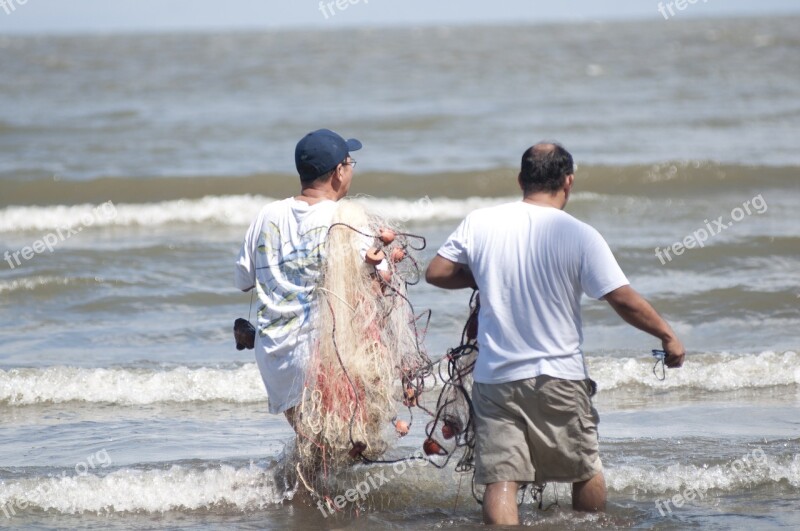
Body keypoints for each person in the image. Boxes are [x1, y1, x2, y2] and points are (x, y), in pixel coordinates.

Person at [425, 142, 685, 525]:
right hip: (559, 377)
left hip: (495, 378)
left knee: (502, 477)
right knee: (583, 467)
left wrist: (481, 277)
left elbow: (437, 272)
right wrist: (667, 335)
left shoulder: (479, 222)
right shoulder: (579, 234)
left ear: (520, 180)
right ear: (568, 181)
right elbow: (621, 298)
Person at [235, 128, 362, 429]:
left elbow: (243, 279)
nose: (352, 169)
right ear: (338, 172)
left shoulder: (267, 214)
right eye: (350, 162)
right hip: (320, 354)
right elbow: (374, 274)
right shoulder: (343, 217)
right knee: (333, 448)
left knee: (312, 444)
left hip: (274, 359)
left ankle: (287, 478)